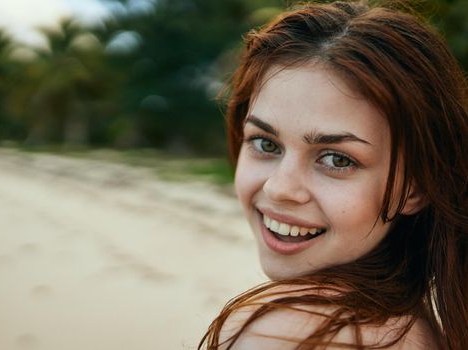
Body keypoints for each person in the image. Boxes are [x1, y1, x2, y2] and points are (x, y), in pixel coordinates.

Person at [198, 1, 468, 349]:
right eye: (266, 144)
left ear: (416, 187)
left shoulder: (287, 333)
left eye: (337, 160)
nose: (280, 188)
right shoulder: (418, 325)